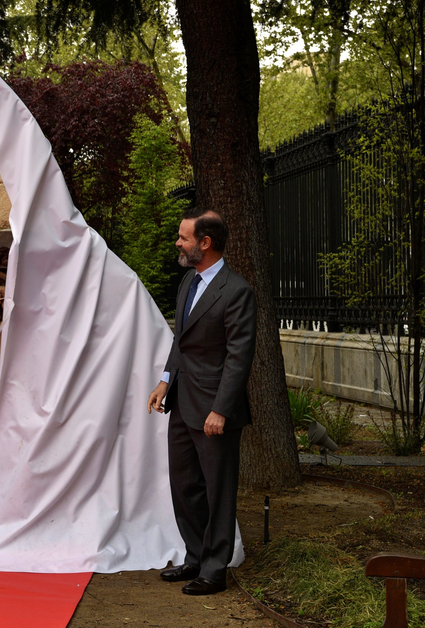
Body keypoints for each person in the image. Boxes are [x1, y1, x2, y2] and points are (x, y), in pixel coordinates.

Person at [147, 208, 255, 596]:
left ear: (204, 243)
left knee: (217, 491)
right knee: (186, 486)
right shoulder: (188, 283)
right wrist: (164, 381)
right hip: (182, 401)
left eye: (183, 237)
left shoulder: (237, 290)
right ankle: (194, 557)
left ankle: (214, 569)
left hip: (214, 412)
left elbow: (238, 357)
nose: (178, 242)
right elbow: (183, 341)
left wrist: (221, 410)